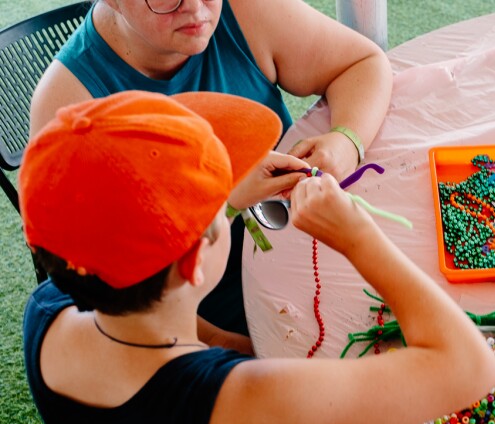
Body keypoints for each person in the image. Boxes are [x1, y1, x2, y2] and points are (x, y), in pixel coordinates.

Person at [20, 90, 495, 424]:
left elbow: (150, 298)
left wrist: (227, 336)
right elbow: (469, 368)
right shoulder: (238, 404)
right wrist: (360, 238)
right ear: (198, 256)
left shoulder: (49, 307)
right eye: (218, 202)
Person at [29, 0, 394, 342]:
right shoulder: (69, 107)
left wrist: (346, 140)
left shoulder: (243, 9)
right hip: (212, 306)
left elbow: (362, 62)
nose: (195, 8)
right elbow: (120, 302)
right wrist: (229, 349)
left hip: (316, 244)